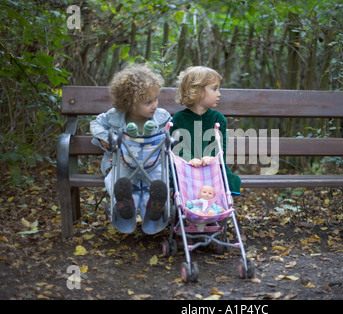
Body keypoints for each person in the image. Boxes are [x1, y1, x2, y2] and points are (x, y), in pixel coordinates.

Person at [90, 63, 171, 233]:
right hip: (122, 164)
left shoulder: (162, 117)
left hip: (152, 165)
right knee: (117, 181)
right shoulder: (115, 117)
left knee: (157, 184)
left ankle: (153, 208)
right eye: (148, 102)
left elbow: (172, 133)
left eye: (156, 99)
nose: (154, 105)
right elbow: (96, 124)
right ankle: (125, 206)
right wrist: (104, 138)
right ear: (129, 103)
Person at [170, 66, 241, 195]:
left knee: (224, 175)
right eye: (214, 89)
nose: (219, 94)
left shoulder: (218, 118)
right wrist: (189, 159)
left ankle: (217, 207)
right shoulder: (179, 118)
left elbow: (221, 146)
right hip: (186, 168)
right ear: (197, 91)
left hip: (212, 167)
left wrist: (211, 157)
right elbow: (175, 146)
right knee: (177, 174)